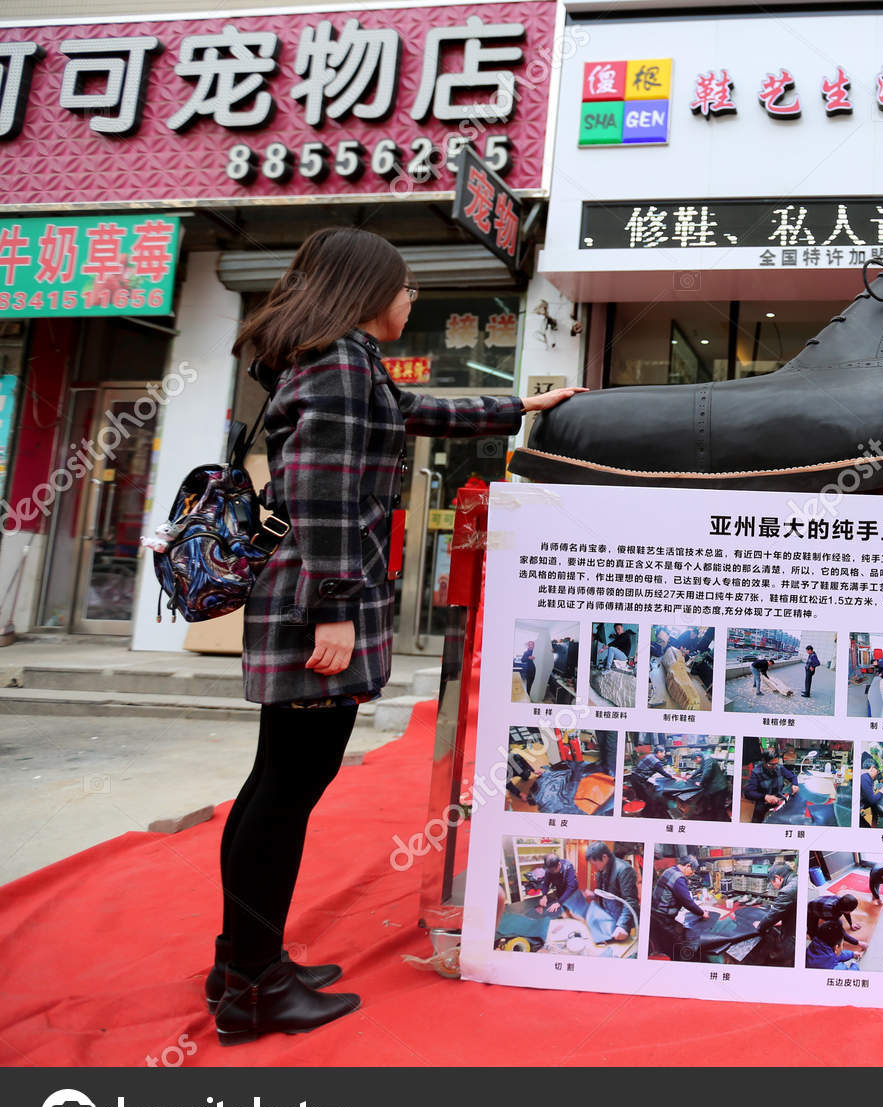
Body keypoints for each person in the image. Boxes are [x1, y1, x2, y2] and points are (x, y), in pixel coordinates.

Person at [213, 226, 586, 1044]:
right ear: (362, 290)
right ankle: (252, 985)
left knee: (273, 785)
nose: (410, 297)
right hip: (320, 604)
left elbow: (413, 410)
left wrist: (518, 406)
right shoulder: (339, 361)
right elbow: (320, 493)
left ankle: (243, 959)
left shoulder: (333, 359)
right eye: (403, 284)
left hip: (306, 595)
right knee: (283, 797)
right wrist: (339, 607)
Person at [650, 854, 706, 959]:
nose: (692, 874)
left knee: (667, 941)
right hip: (663, 917)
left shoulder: (669, 870)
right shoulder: (679, 878)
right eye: (692, 871)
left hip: (654, 914)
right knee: (676, 945)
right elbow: (688, 902)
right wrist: (702, 913)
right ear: (687, 866)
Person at [583, 842, 638, 942]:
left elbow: (630, 901)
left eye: (594, 864)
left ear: (604, 857)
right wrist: (594, 894)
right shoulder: (601, 870)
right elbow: (606, 892)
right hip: (607, 919)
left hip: (620, 922)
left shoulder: (624, 870)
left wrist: (623, 925)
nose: (594, 867)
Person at [754, 861, 798, 964]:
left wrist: (760, 926)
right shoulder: (795, 879)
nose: (773, 886)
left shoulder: (787, 890)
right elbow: (792, 909)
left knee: (789, 947)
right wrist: (782, 921)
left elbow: (774, 915)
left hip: (794, 934)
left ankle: (787, 963)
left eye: (773, 882)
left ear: (778, 878)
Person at [746, 751, 794, 823]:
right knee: (756, 823)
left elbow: (793, 777)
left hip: (778, 800)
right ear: (763, 761)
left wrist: (795, 784)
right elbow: (748, 793)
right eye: (771, 764)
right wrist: (765, 797)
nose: (775, 767)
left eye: (776, 763)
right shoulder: (756, 772)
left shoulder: (779, 767)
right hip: (763, 801)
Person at [689, 750, 732, 822]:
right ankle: (714, 820)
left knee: (719, 808)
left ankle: (722, 823)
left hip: (719, 787)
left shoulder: (708, 760)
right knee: (714, 806)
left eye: (695, 761)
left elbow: (706, 774)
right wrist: (691, 776)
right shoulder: (704, 759)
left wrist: (700, 783)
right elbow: (700, 769)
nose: (695, 762)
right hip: (714, 787)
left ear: (697, 758)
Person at [538, 854, 583, 919]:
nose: (551, 872)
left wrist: (559, 902)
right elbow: (546, 883)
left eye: (553, 871)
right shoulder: (549, 869)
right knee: (560, 911)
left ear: (559, 865)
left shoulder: (568, 866)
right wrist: (544, 895)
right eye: (550, 871)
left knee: (571, 912)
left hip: (571, 892)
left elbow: (571, 887)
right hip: (560, 889)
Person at [858, 755, 883, 827]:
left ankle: (875, 822)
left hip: (861, 801)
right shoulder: (864, 777)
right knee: (866, 827)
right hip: (856, 807)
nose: (876, 773)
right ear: (872, 768)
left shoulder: (865, 776)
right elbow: (872, 800)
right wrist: (882, 791)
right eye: (877, 771)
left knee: (874, 806)